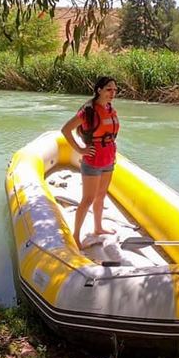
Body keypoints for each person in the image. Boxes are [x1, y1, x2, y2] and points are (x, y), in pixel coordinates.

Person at [61, 76, 120, 249]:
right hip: (93, 160)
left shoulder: (110, 109)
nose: (112, 93)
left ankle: (98, 228)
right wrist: (80, 150)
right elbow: (66, 129)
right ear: (99, 90)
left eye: (115, 90)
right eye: (109, 89)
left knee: (101, 196)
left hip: (109, 159)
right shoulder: (88, 112)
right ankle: (76, 235)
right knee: (88, 199)